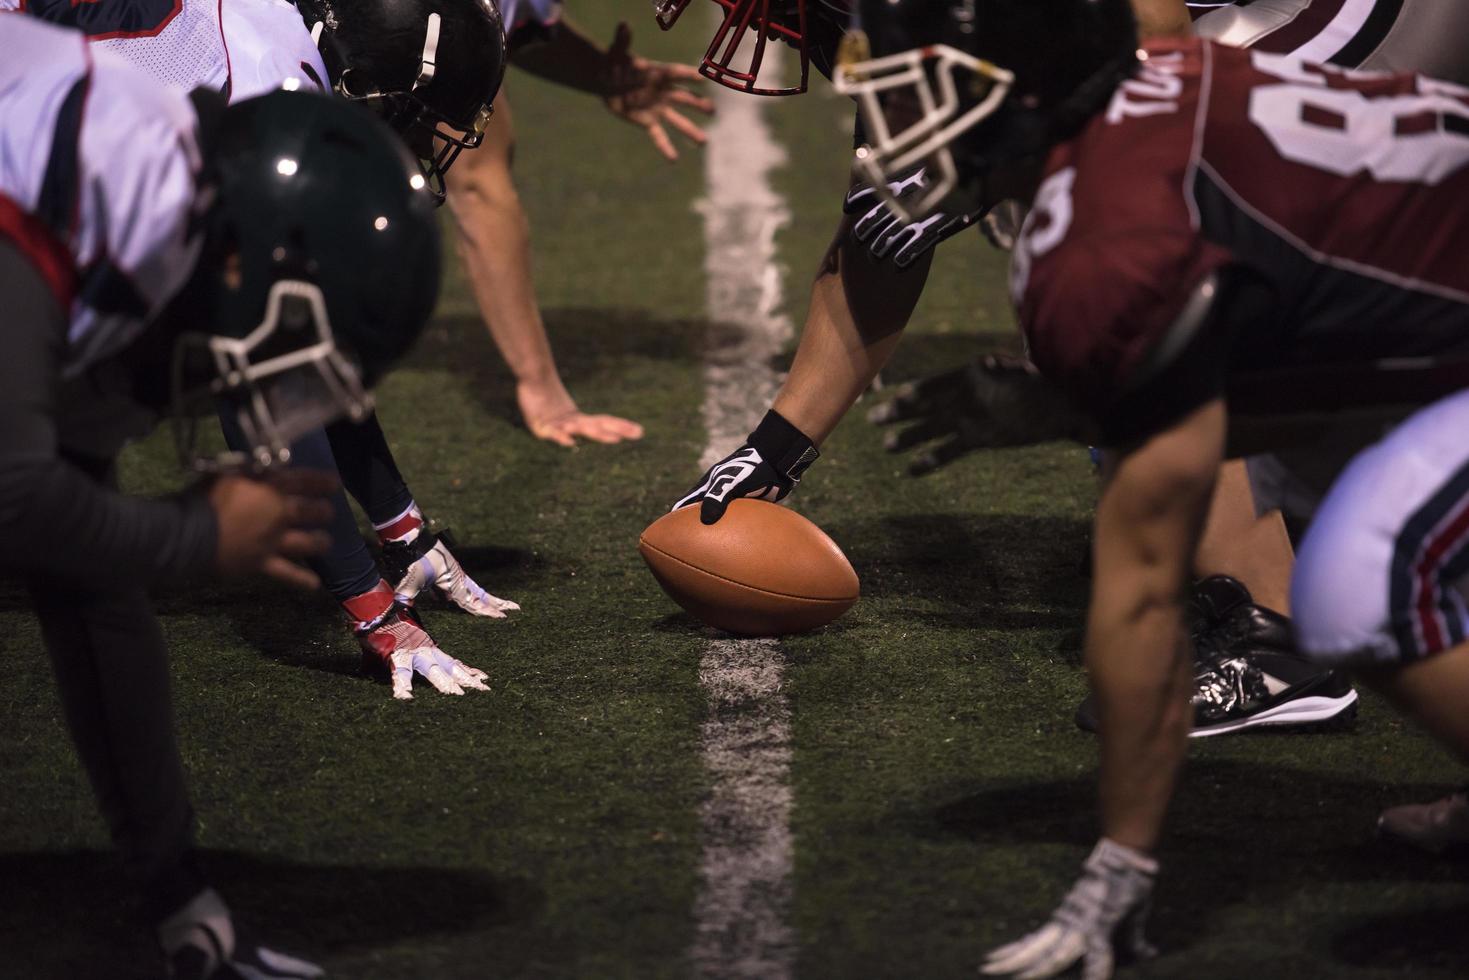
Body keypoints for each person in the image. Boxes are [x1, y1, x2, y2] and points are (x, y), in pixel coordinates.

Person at [835, 0, 1469, 975]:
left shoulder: (1097, 246)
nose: (891, 100)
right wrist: (1085, 404)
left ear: (1021, 95)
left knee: (1362, 574)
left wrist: (1120, 862)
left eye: (933, 75)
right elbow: (1276, 351)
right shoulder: (1165, 85)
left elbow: (1141, 592)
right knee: (1340, 460)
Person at [0, 14, 445, 974]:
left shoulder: (155, 189)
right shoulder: (71, 182)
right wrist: (193, 539)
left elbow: (83, 571)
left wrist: (181, 902)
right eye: (283, 353)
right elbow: (15, 497)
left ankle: (183, 914)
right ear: (246, 265)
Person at [14, 0, 521, 699]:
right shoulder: (258, 90)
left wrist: (406, 534)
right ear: (366, 78)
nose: (423, 144)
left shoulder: (289, 52)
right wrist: (372, 610)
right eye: (419, 115)